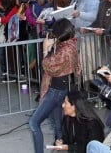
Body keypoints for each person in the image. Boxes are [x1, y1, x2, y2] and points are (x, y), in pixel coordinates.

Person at [29, 18, 81, 153]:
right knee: (58, 125)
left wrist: (45, 50)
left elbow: (49, 67)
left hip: (55, 91)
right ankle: (61, 149)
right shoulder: (69, 45)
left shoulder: (65, 51)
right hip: (60, 89)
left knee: (34, 123)